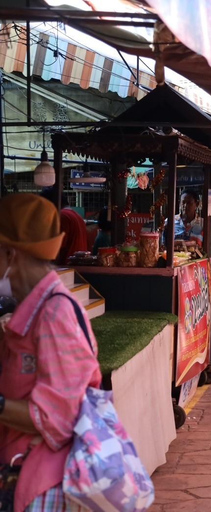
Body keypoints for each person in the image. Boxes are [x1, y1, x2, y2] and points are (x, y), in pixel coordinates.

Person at [0, 193, 100, 510]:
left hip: (44, 485)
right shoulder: (33, 311)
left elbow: (57, 416)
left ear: (9, 254)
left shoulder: (55, 314)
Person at [40, 188, 88, 265]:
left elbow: (57, 246)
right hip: (77, 265)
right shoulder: (76, 215)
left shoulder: (62, 216)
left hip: (66, 265)